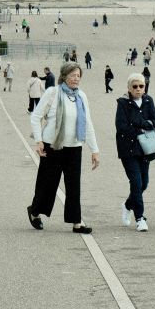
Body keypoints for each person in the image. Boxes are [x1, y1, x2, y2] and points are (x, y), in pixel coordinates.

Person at [27, 62, 100, 233]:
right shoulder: (53, 93)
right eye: (73, 75)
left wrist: (94, 150)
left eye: (78, 75)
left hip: (74, 147)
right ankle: (35, 211)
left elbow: (87, 123)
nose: (76, 78)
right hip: (52, 146)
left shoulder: (81, 96)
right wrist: (38, 140)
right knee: (48, 183)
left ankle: (76, 222)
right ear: (64, 76)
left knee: (73, 185)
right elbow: (36, 117)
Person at [115, 73, 155, 232]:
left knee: (144, 183)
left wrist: (138, 124)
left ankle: (127, 205)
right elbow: (122, 126)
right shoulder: (123, 103)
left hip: (145, 149)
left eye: (141, 86)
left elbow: (154, 121)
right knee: (136, 182)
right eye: (135, 86)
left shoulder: (148, 100)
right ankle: (140, 218)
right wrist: (142, 126)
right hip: (128, 149)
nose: (138, 89)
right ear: (129, 88)